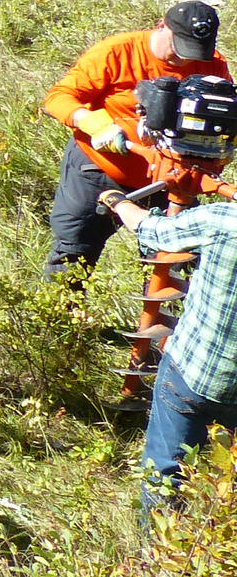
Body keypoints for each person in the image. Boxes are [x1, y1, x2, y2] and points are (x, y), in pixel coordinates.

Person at [41, 1, 227, 280]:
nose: (184, 58)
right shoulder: (118, 51)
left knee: (176, 260)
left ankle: (159, 319)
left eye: (192, 51)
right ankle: (62, 320)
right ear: (162, 26)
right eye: (178, 46)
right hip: (99, 170)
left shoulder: (212, 64)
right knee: (73, 253)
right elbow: (58, 98)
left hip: (172, 178)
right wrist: (93, 123)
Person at [98, 188, 237, 514]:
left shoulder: (223, 219)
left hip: (193, 374)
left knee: (165, 471)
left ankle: (157, 552)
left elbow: (152, 230)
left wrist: (118, 201)